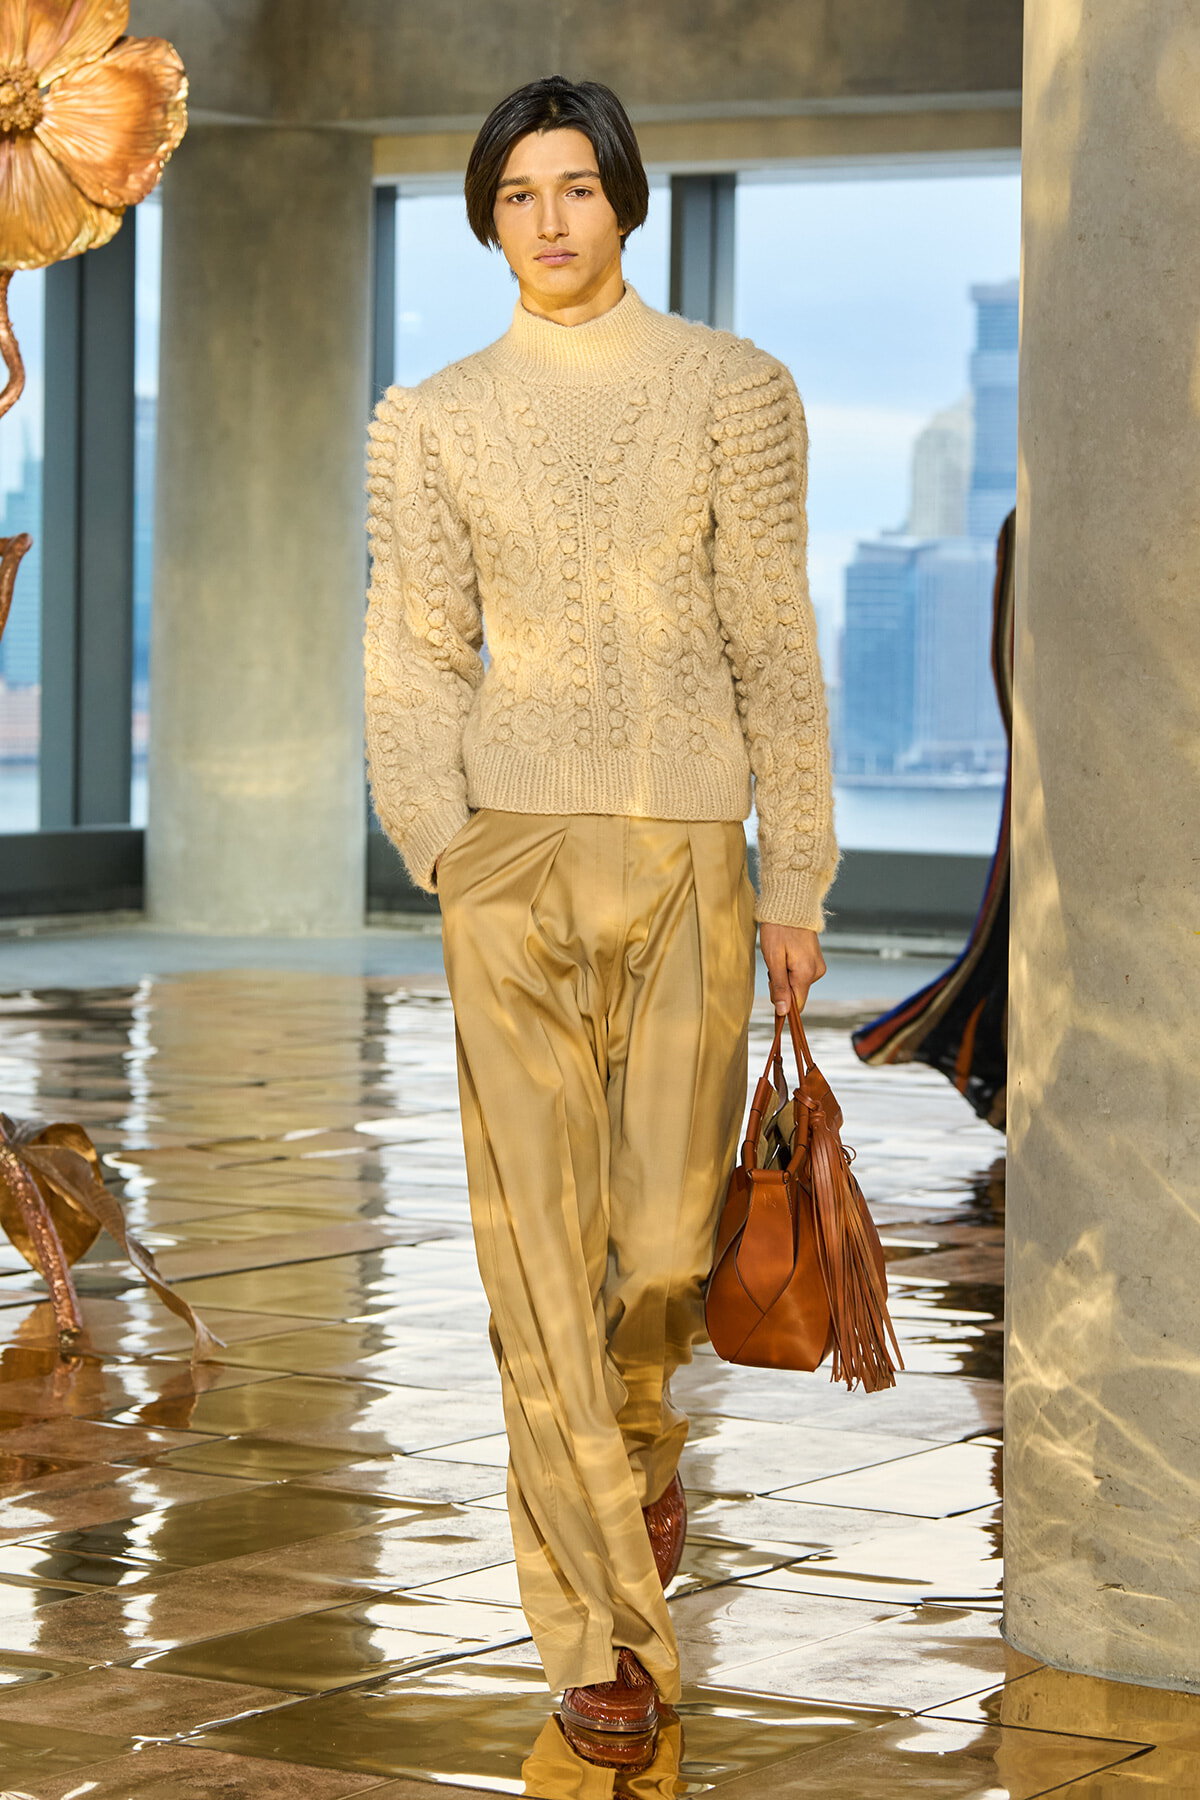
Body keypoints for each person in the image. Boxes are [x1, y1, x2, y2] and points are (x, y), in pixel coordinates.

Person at [364, 75, 837, 1764]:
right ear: (489, 219)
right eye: (518, 195)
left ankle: (636, 1449)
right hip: (510, 866)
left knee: (656, 1252)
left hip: (691, 854)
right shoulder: (431, 420)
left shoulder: (734, 393)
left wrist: (796, 877)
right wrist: (443, 845)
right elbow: (416, 654)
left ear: (626, 203)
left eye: (578, 188)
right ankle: (596, 1632)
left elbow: (774, 638)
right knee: (533, 1254)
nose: (551, 220)